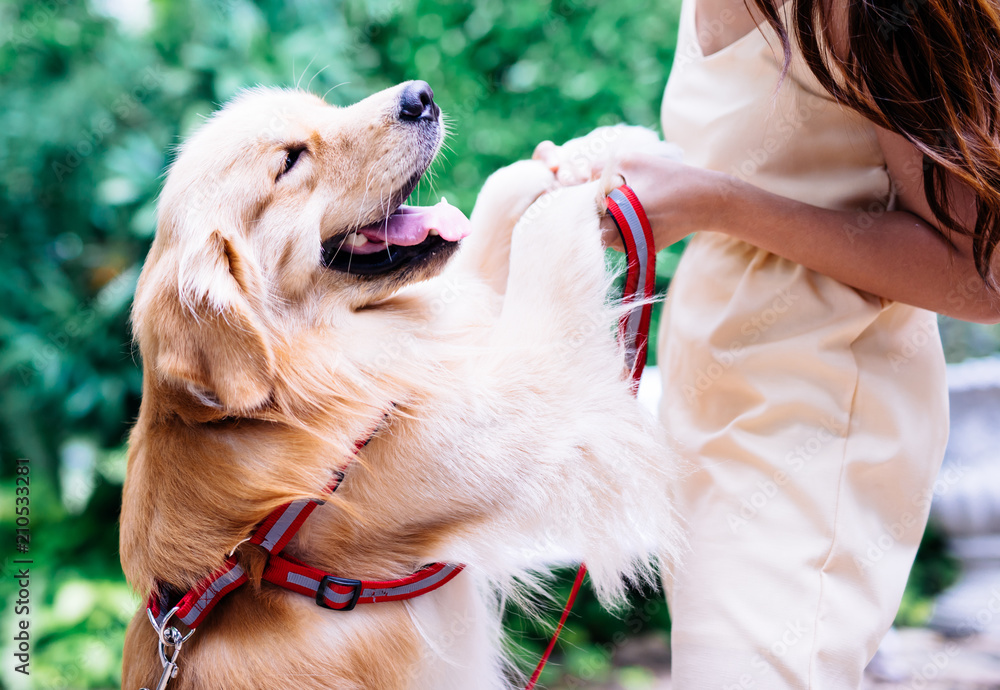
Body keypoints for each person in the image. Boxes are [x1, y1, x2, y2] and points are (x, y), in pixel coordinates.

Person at [534, 0, 1000, 686]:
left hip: (817, 416)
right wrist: (642, 180)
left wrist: (716, 203)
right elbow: (777, 168)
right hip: (714, 415)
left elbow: (978, 279)